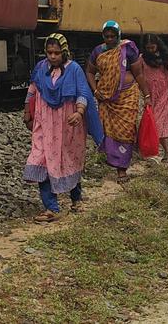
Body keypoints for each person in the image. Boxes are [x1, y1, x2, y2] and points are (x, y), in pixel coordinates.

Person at [22, 33, 103, 222]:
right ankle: (52, 208)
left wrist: (79, 112)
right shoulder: (41, 68)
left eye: (56, 53)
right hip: (44, 123)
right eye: (49, 52)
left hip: (68, 124)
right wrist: (27, 113)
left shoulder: (74, 69)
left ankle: (76, 199)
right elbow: (32, 90)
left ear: (64, 52)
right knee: (41, 159)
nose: (52, 56)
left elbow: (83, 92)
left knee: (68, 160)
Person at [86, 21, 143, 182]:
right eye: (107, 36)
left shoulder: (128, 49)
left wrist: (147, 96)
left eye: (113, 36)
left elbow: (138, 74)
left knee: (127, 130)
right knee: (110, 131)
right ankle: (114, 162)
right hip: (106, 99)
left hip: (127, 97)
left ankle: (122, 168)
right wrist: (95, 90)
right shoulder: (98, 51)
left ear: (119, 35)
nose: (110, 39)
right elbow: (90, 71)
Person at [136, 34, 168, 159]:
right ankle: (164, 151)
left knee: (157, 122)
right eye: (148, 48)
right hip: (149, 93)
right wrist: (145, 94)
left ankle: (155, 151)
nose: (150, 50)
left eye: (152, 47)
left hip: (163, 93)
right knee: (150, 121)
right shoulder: (142, 58)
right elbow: (139, 75)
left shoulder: (164, 57)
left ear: (157, 45)